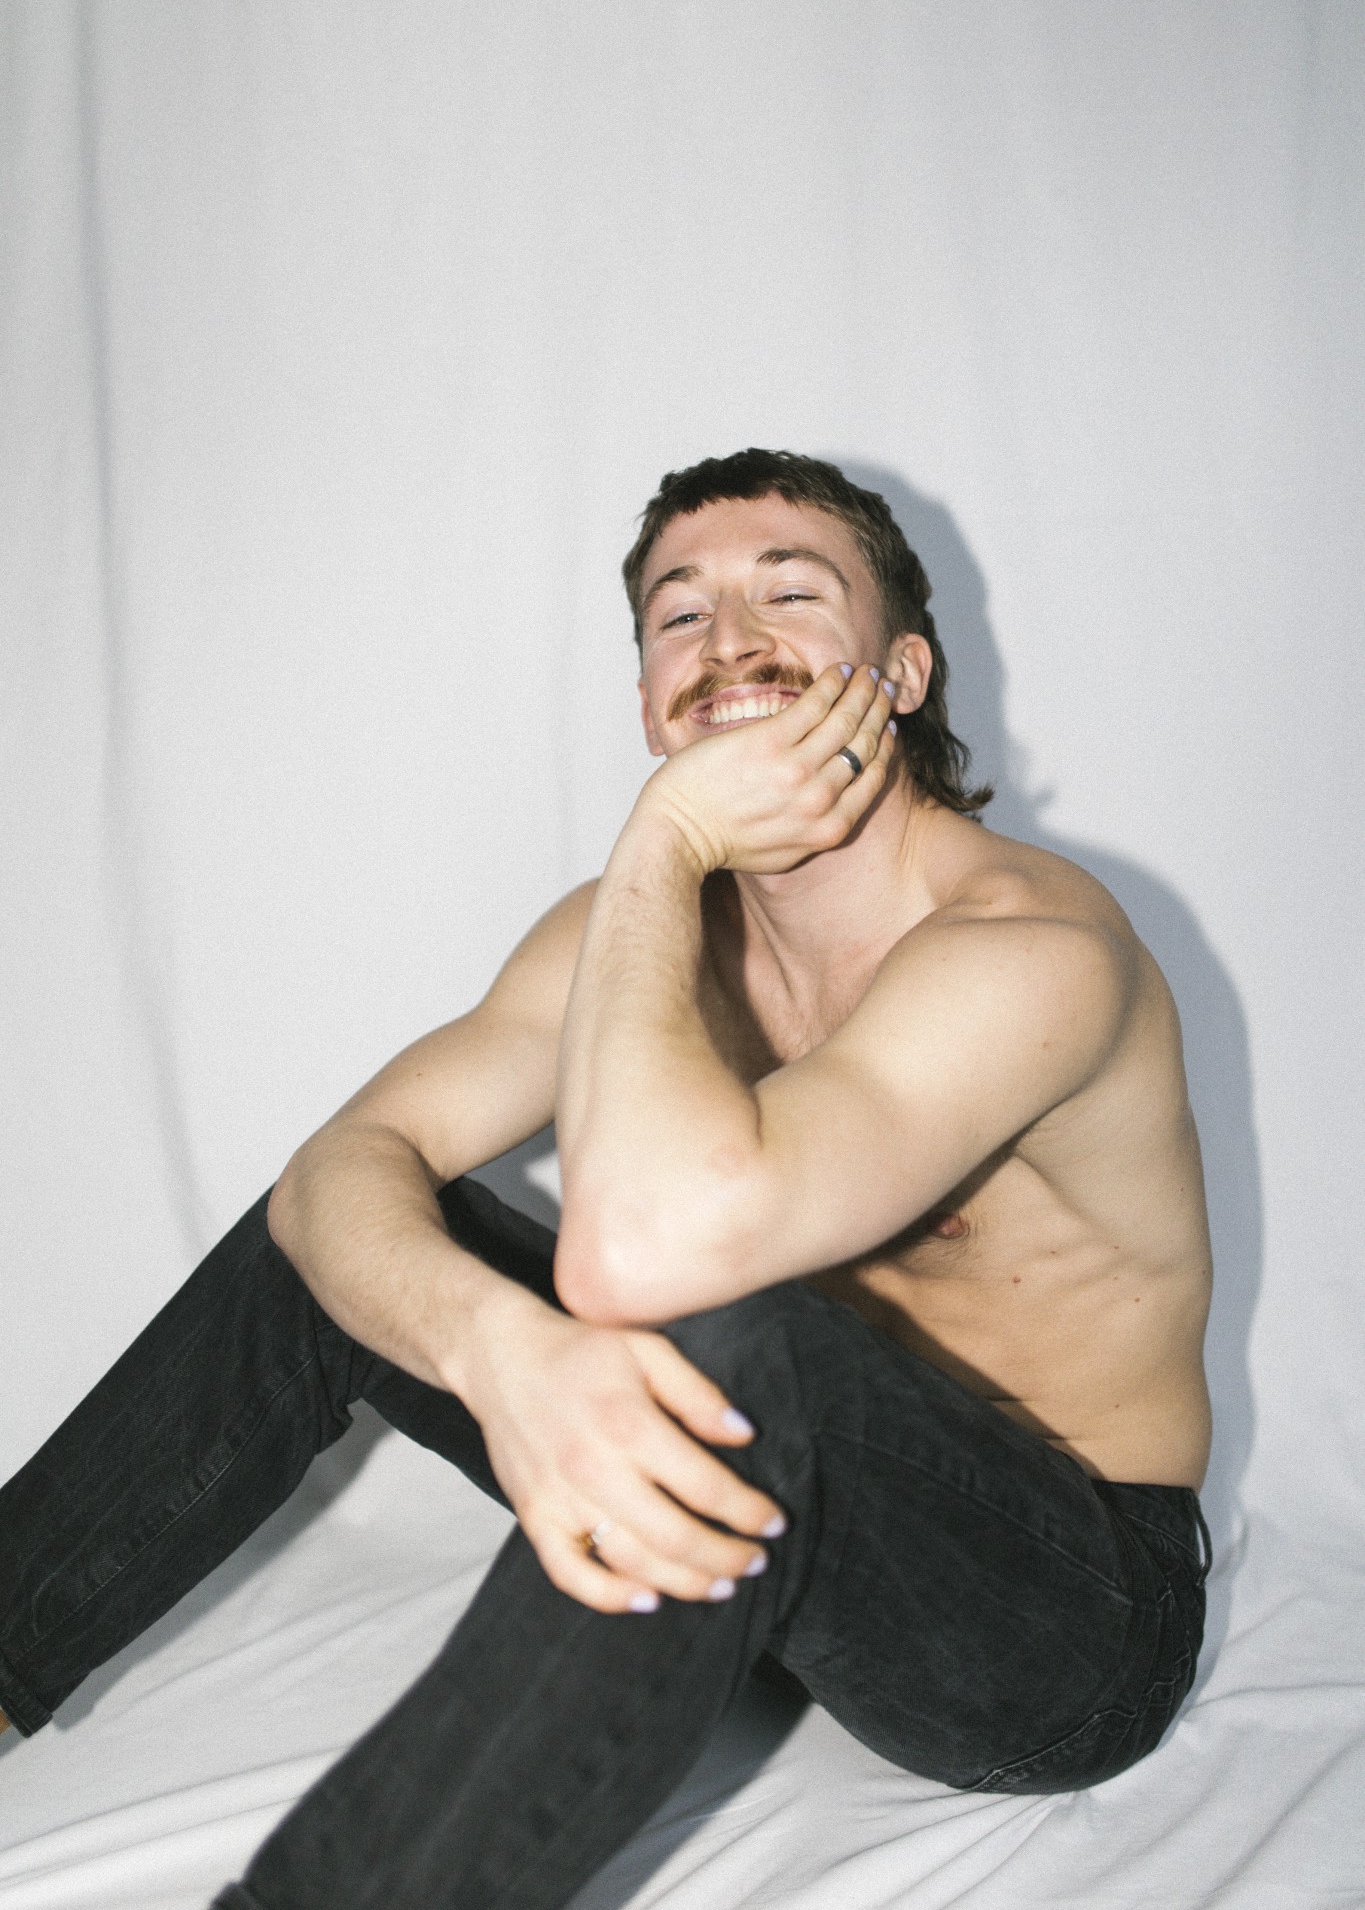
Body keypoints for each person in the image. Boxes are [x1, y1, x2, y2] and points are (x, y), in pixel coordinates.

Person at [0, 450, 1213, 1910]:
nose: (729, 640)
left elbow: (648, 1254)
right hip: (763, 1534)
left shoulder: (1031, 953)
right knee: (363, 1239)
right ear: (650, 702)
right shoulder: (633, 926)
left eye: (789, 593)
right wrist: (492, 1347)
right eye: (679, 615)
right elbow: (330, 1180)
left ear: (902, 671)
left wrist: (667, 835)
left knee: (736, 1338)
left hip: (1055, 1620)